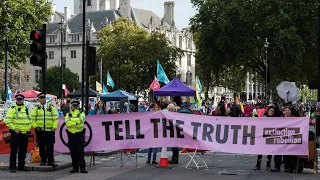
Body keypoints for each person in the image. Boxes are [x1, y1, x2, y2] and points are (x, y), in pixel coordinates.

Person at [4, 94, 31, 173]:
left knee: (23, 150)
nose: (19, 101)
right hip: (16, 133)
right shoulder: (12, 109)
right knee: (14, 150)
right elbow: (7, 121)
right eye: (18, 99)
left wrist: (29, 127)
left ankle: (21, 166)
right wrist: (14, 128)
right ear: (16, 100)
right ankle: (12, 166)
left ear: (23, 100)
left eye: (21, 99)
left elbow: (30, 120)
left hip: (24, 133)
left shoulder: (26, 109)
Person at [31, 92, 58, 167]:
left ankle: (50, 161)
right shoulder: (36, 108)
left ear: (45, 98)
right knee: (41, 146)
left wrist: (54, 127)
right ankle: (43, 160)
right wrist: (36, 126)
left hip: (50, 131)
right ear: (39, 99)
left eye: (43, 98)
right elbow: (33, 119)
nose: (42, 99)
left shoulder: (51, 107)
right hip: (40, 131)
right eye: (41, 98)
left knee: (50, 146)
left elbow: (55, 118)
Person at [65, 101, 88, 173]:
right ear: (71, 106)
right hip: (71, 134)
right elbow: (67, 123)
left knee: (80, 152)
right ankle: (75, 168)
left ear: (78, 106)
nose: (74, 107)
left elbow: (81, 123)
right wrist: (76, 122)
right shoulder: (68, 114)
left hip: (79, 134)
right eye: (73, 105)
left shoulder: (81, 113)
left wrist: (72, 122)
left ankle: (82, 168)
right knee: (73, 152)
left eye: (76, 106)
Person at [253, 106, 275, 170]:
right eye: (270, 110)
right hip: (263, 136)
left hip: (271, 136)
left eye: (272, 111)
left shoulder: (276, 119)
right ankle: (258, 165)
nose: (271, 112)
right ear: (267, 111)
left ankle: (268, 166)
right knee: (260, 151)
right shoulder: (264, 118)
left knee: (270, 152)